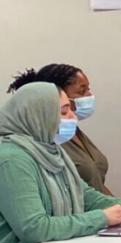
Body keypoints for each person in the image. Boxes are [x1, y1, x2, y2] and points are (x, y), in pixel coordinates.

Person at [0, 83, 121, 243]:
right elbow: (34, 228)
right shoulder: (12, 159)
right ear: (38, 116)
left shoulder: (51, 150)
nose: (73, 117)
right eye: (64, 112)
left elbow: (85, 195)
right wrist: (102, 218)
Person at [8, 64, 112, 195]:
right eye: (81, 91)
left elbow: (92, 191)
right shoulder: (41, 144)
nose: (89, 95)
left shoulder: (70, 131)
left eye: (88, 89)